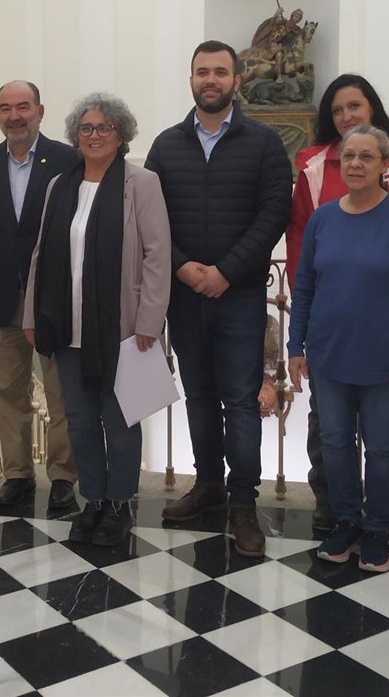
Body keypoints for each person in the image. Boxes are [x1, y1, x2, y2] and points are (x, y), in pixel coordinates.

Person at [145, 39, 293, 558]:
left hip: (240, 296)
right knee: (200, 397)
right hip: (185, 295)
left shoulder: (264, 143)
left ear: (237, 80)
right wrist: (183, 266)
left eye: (220, 71)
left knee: (241, 400)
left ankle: (243, 504)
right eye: (202, 71)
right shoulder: (166, 145)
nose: (210, 79)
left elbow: (274, 213)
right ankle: (208, 485)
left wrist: (227, 272)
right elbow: (150, 216)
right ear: (191, 79)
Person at [288, 126, 389, 572]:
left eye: (366, 157)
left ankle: (377, 528)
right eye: (348, 156)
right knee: (335, 444)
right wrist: (295, 346)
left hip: (386, 363)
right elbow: (305, 287)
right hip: (329, 358)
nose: (355, 164)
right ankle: (346, 522)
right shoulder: (322, 220)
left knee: (383, 449)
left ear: (386, 165)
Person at [24, 94, 170, 546]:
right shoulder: (60, 185)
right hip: (66, 325)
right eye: (86, 128)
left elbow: (157, 254)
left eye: (104, 127)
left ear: (121, 135)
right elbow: (41, 254)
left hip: (123, 329)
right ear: (76, 135)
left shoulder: (141, 183)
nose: (94, 135)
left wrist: (149, 321)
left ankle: (120, 503)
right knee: (80, 420)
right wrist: (32, 314)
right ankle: (94, 500)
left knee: (120, 418)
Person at [0, 80, 78, 512]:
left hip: (54, 300)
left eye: (23, 107)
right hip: (0, 299)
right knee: (6, 392)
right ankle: (17, 475)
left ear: (40, 111)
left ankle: (63, 477)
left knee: (61, 392)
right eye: (5, 108)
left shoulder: (67, 160)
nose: (14, 116)